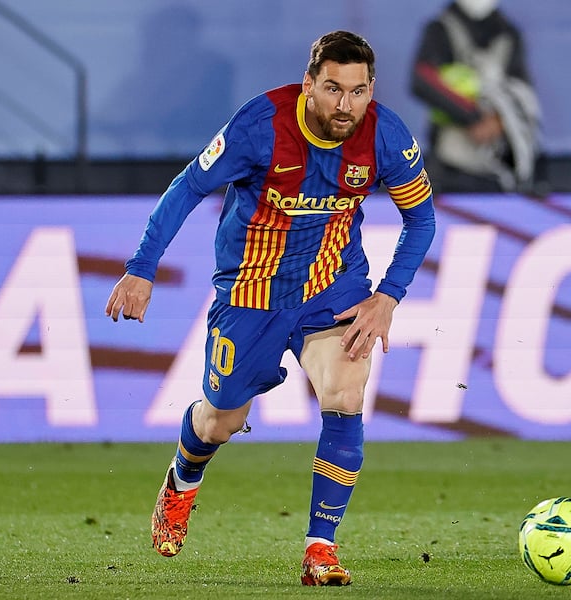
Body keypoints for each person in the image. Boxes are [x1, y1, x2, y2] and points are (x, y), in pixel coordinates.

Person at [105, 31, 435, 587]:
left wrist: (387, 295)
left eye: (357, 92)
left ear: (371, 90)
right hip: (250, 292)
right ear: (310, 84)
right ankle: (183, 479)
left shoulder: (386, 135)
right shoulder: (260, 125)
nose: (344, 105)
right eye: (332, 89)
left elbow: (421, 220)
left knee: (345, 392)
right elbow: (188, 187)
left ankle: (320, 548)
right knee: (222, 417)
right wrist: (142, 267)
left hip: (334, 286)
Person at [410, 0, 541, 193]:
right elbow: (422, 79)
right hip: (448, 163)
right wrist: (473, 117)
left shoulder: (507, 32)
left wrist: (498, 120)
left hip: (497, 163)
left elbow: (522, 91)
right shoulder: (440, 28)